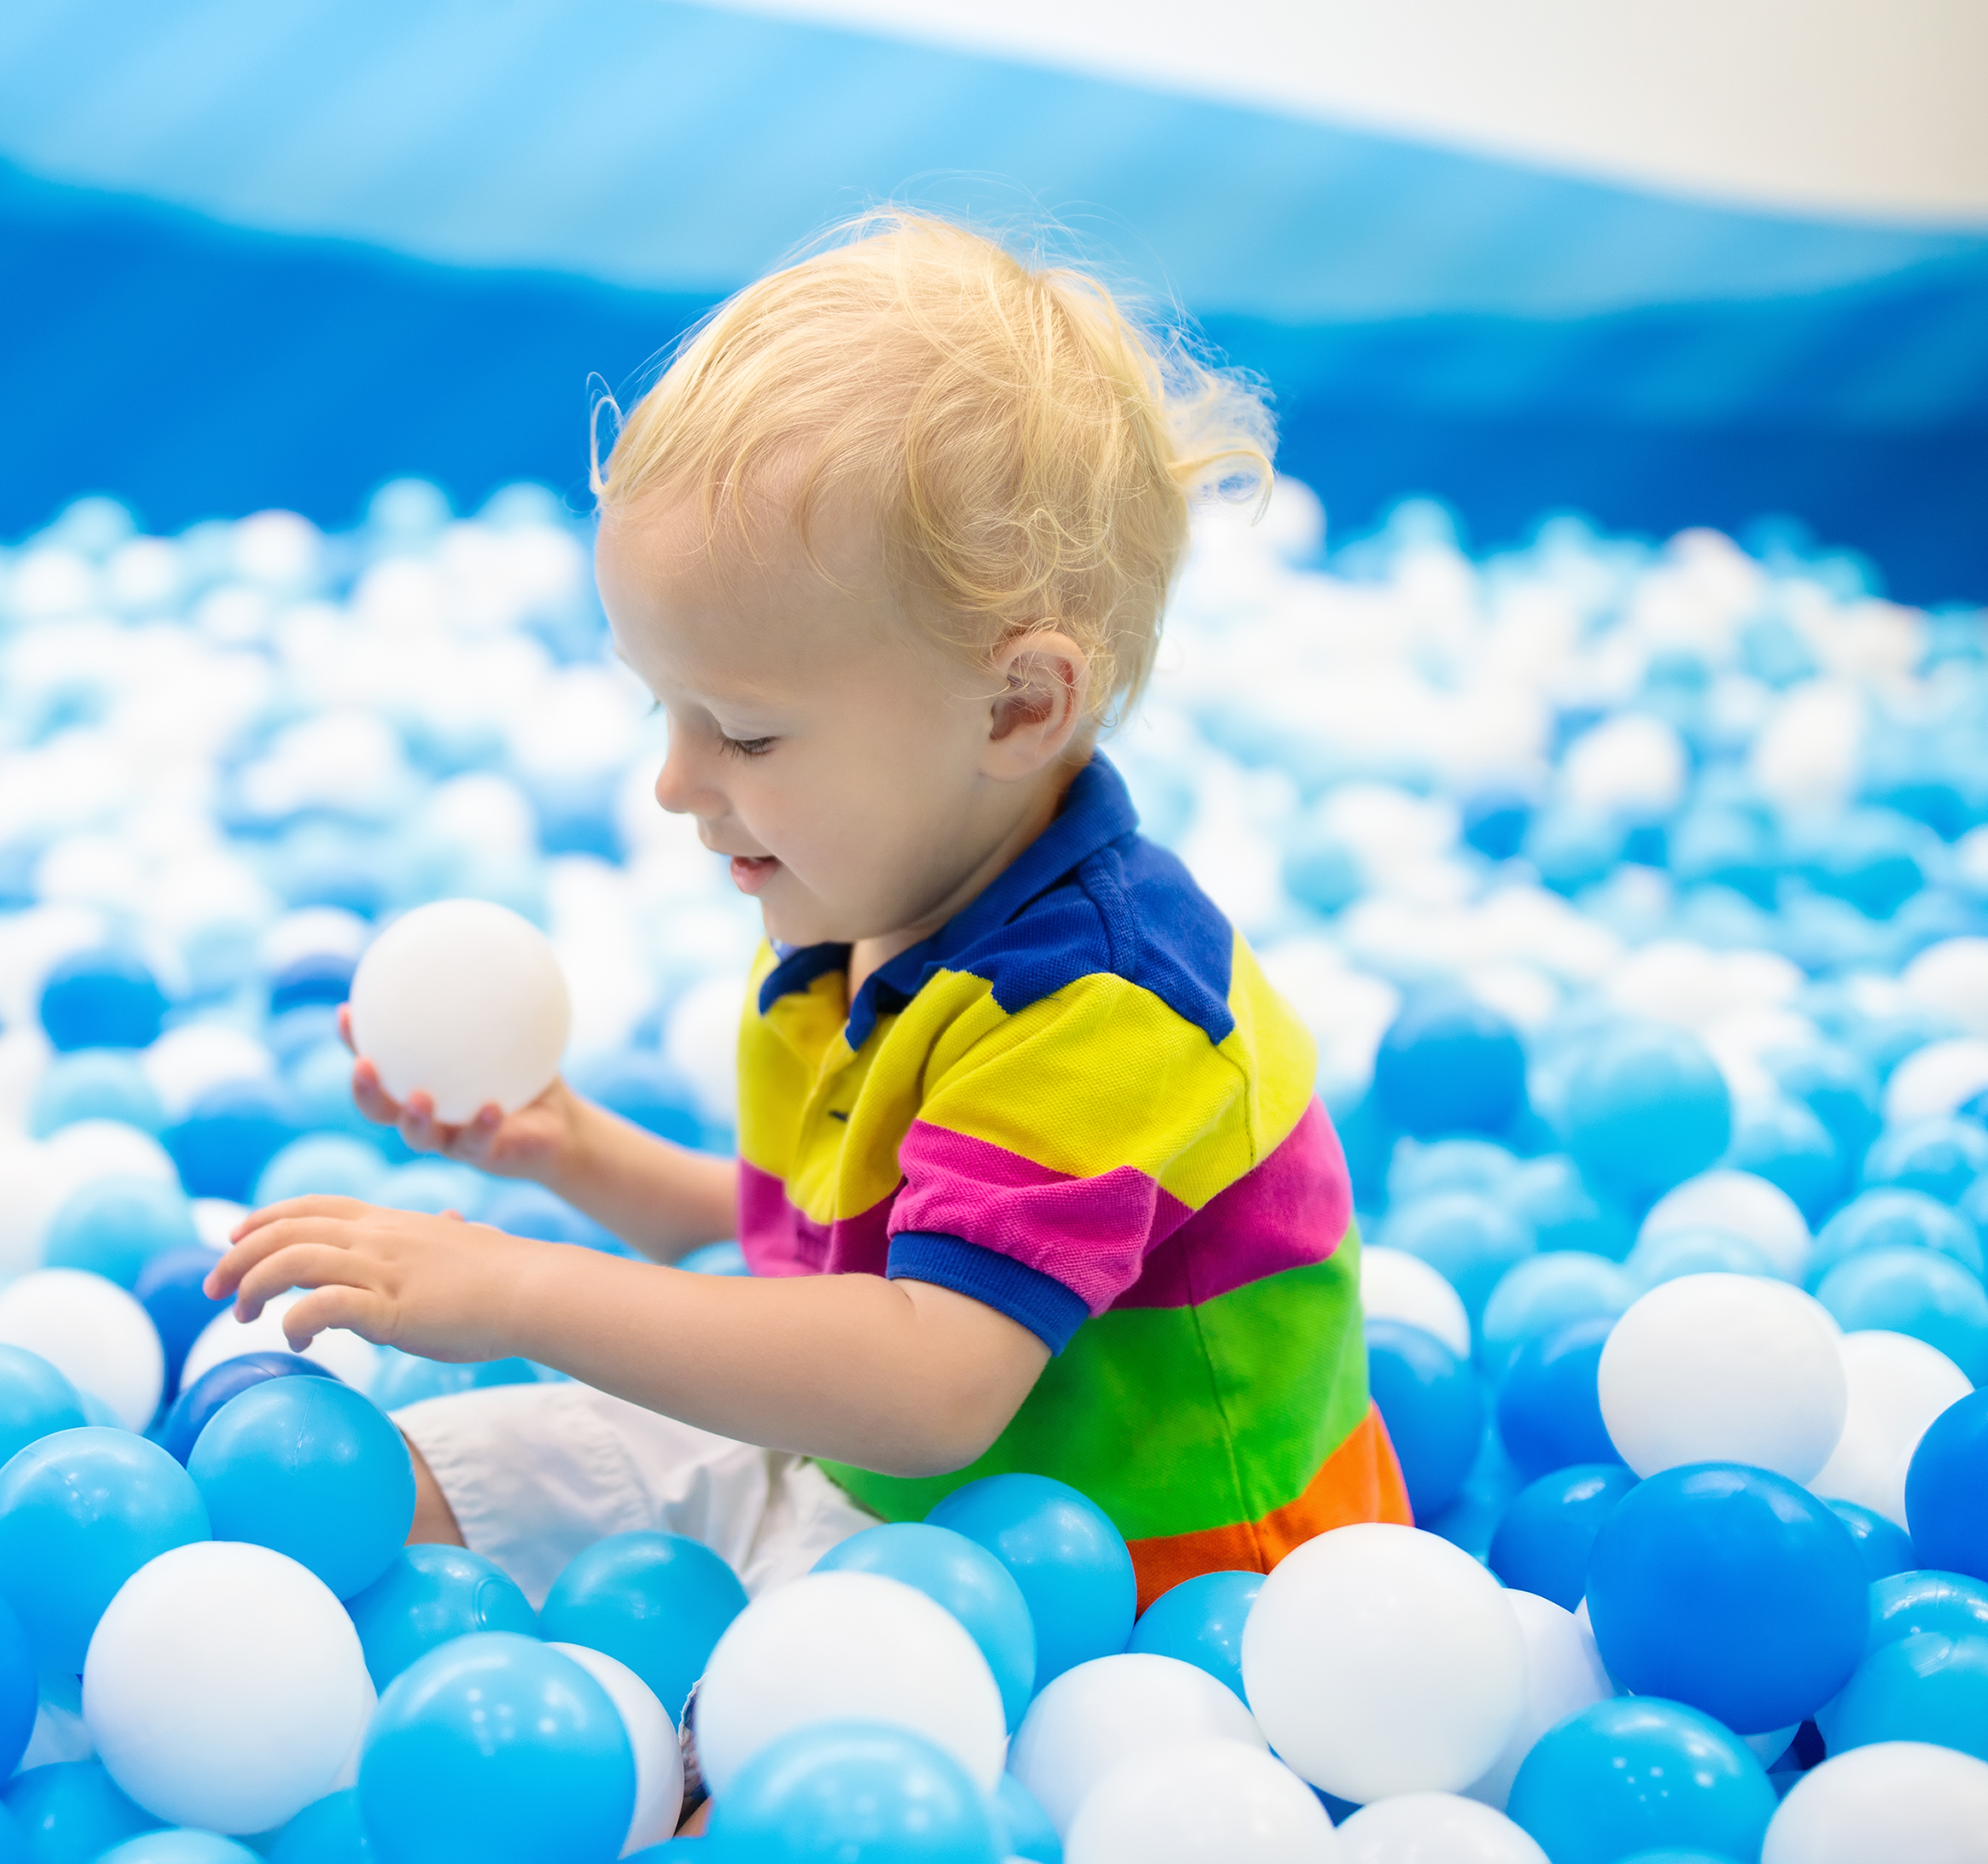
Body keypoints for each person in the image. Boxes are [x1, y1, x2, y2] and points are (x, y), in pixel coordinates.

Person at [208, 209, 1407, 1618]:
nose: (673, 783)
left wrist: (521, 1289)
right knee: (369, 1494)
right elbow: (844, 1255)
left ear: (1020, 705)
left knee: (780, 1769)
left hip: (1120, 1577)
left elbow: (933, 1373)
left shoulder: (1102, 1005)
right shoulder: (870, 895)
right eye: (667, 709)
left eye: (746, 735)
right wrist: (578, 1153)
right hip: (858, 1465)